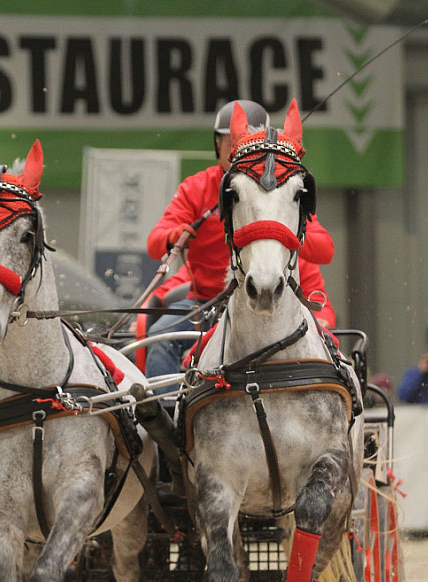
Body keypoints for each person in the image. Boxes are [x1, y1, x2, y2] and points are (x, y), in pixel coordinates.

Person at [144, 99, 336, 387]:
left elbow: (324, 249)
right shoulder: (196, 188)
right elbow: (154, 243)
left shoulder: (280, 193)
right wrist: (174, 236)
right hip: (205, 302)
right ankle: (167, 415)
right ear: (219, 145)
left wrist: (286, 232)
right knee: (161, 338)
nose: (237, 151)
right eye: (229, 143)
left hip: (263, 299)